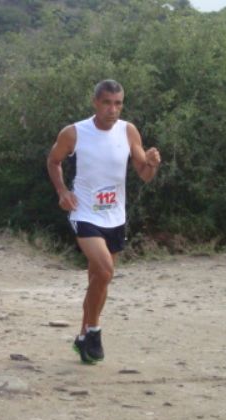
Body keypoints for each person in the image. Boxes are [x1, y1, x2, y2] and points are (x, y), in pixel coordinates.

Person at [46, 80, 161, 364]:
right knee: (106, 269)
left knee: (99, 278)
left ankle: (84, 336)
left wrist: (152, 163)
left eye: (118, 103)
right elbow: (53, 161)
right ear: (96, 102)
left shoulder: (128, 130)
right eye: (107, 103)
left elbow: (143, 175)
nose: (113, 109)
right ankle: (95, 331)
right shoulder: (74, 132)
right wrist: (62, 191)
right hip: (84, 212)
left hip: (115, 215)